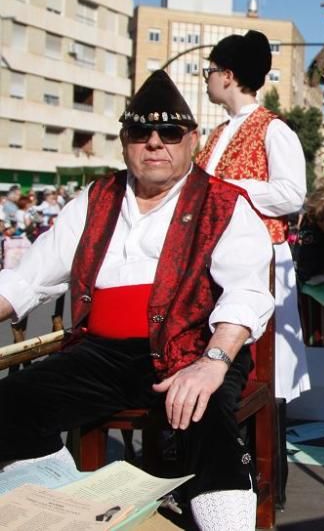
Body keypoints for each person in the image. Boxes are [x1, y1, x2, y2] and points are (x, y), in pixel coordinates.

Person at [0, 71, 274, 531]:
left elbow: (246, 291)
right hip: (102, 354)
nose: (154, 143)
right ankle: (74, 510)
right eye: (139, 133)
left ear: (191, 140)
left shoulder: (224, 203)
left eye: (169, 132)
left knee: (205, 415)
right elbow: (28, 280)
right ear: (124, 141)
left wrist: (212, 362)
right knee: (9, 404)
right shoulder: (95, 198)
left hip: (191, 347)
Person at [196, 29, 311, 404]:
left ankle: (264, 441)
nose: (207, 78)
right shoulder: (217, 133)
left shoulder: (273, 129)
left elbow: (292, 193)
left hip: (262, 258)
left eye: (209, 70)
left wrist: (231, 188)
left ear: (227, 75)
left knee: (264, 355)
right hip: (217, 257)